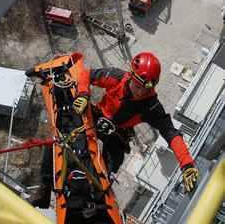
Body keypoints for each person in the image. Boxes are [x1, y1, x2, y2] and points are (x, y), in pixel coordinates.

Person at [28, 52, 199, 208]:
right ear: (130, 76)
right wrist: (83, 95)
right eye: (137, 85)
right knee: (59, 140)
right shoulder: (117, 77)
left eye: (145, 88)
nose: (139, 92)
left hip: (117, 134)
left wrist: (186, 165)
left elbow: (170, 132)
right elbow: (86, 75)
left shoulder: (151, 106)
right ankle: (44, 190)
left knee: (106, 171)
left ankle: (92, 203)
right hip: (96, 116)